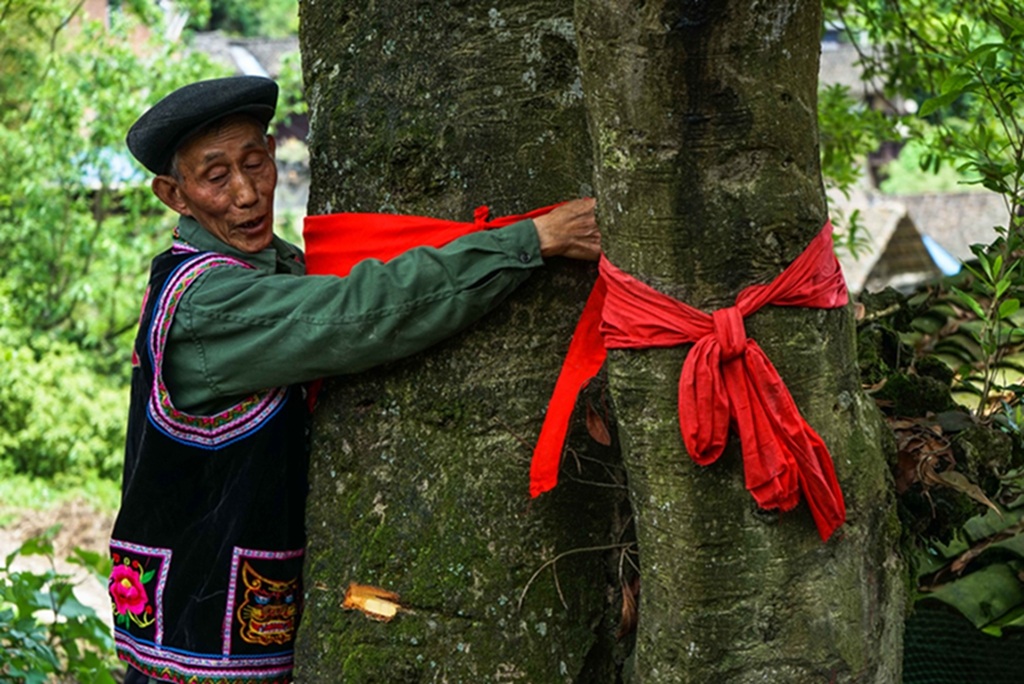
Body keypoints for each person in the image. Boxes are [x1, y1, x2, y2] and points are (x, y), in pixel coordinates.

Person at [108, 75, 599, 684]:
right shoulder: (211, 301)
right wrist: (530, 240)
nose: (246, 193)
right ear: (174, 195)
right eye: (215, 177)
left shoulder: (272, 266)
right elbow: (359, 315)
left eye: (256, 164)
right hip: (198, 648)